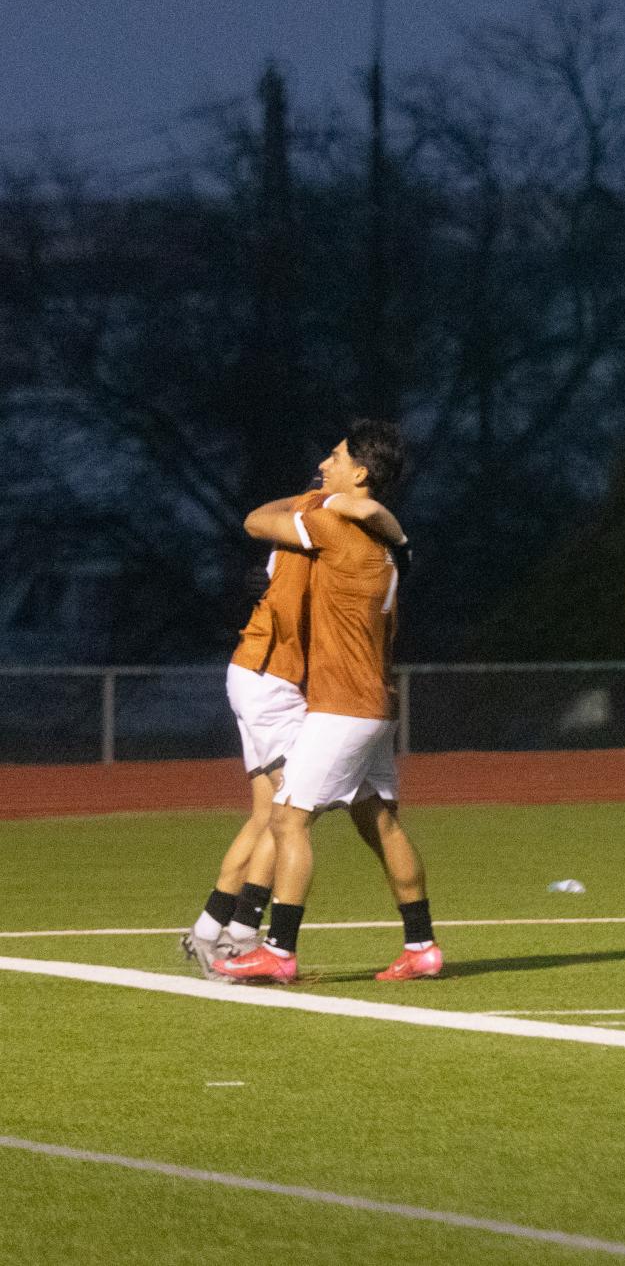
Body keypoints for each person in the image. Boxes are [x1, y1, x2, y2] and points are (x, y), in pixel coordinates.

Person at [215, 421, 439, 984]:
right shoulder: (389, 546)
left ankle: (279, 951)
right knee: (379, 823)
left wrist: (315, 497)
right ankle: (422, 946)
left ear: (360, 473)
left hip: (342, 706)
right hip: (376, 703)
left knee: (289, 821)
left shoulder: (336, 526)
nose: (325, 463)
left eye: (336, 457)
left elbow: (255, 521)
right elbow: (383, 521)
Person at [181, 486, 407, 978]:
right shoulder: (318, 532)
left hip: (258, 675)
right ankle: (241, 935)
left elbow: (261, 520)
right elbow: (273, 523)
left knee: (272, 812)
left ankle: (211, 927)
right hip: (271, 679)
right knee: (292, 809)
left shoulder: (315, 534)